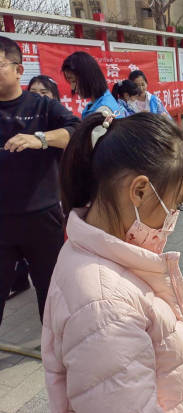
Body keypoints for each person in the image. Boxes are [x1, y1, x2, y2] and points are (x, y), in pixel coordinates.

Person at [41, 112, 183, 413]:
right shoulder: (103, 306)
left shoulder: (98, 252)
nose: (172, 219)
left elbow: (136, 335)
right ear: (139, 191)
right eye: (175, 204)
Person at [0, 36, 80, 324]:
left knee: (51, 296)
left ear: (19, 70)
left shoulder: (42, 107)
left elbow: (77, 128)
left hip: (42, 219)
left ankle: (57, 355)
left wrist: (41, 138)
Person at [7, 74, 63, 299]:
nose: (37, 96)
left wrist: (40, 139)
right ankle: (20, 280)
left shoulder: (57, 121)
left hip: (53, 204)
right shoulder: (19, 119)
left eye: (43, 92)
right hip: (17, 208)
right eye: (33, 91)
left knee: (51, 272)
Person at [62, 51, 123, 119]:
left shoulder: (103, 111)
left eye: (74, 81)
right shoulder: (95, 103)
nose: (72, 87)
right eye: (70, 82)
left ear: (89, 78)